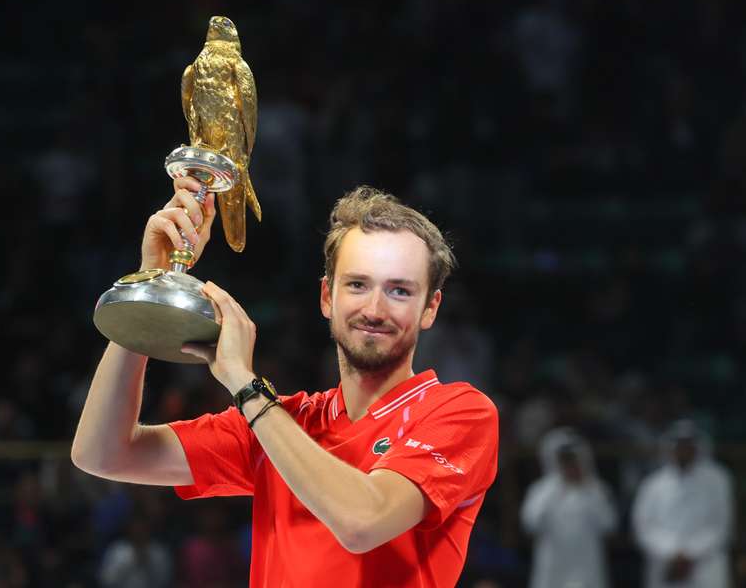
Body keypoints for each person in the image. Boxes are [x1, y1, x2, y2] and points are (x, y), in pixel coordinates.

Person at [72, 179, 500, 587]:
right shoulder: (282, 423)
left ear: (430, 309)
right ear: (327, 297)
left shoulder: (459, 413)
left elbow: (363, 521)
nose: (374, 308)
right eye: (357, 285)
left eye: (400, 291)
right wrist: (151, 288)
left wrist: (244, 383)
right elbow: (103, 453)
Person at [631, 419, 734, 588]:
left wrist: (690, 553)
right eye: (679, 445)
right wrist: (672, 551)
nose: (683, 450)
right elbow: (643, 527)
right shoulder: (653, 484)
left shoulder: (718, 480)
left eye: (688, 445)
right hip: (665, 564)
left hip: (706, 565)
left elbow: (722, 525)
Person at [520, 427, 617, 588]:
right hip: (552, 568)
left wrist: (587, 489)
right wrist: (555, 486)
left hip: (587, 566)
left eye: (572, 458)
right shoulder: (541, 490)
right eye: (564, 459)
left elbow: (608, 525)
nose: (569, 464)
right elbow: (531, 523)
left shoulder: (596, 489)